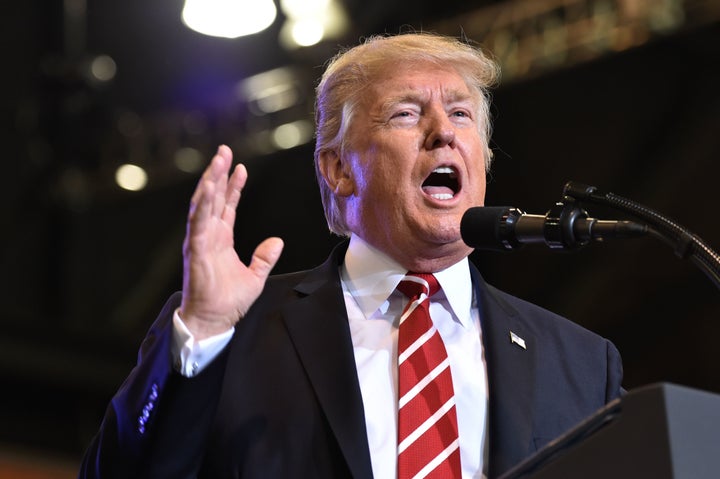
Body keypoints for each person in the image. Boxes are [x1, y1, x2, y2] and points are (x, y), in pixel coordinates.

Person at [79, 32, 623, 479]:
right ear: (339, 169)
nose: (442, 134)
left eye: (460, 115)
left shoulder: (579, 362)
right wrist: (200, 334)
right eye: (406, 115)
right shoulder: (234, 334)